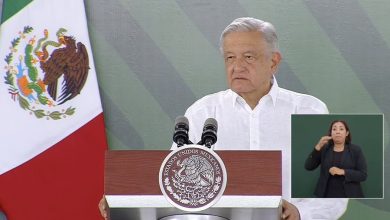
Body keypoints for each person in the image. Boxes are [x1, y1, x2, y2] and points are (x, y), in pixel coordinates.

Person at [99, 17, 348, 219]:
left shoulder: (309, 110)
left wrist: (300, 213)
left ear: (274, 61)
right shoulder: (202, 112)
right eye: (230, 57)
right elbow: (172, 184)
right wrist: (124, 202)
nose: (237, 66)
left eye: (248, 57)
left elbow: (335, 190)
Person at [305, 120, 367, 198]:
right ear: (331, 133)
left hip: (349, 195)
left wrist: (343, 172)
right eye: (334, 129)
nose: (337, 132)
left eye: (341, 129)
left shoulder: (356, 150)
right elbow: (308, 166)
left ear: (347, 133)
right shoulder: (324, 149)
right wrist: (318, 146)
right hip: (326, 195)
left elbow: (363, 175)